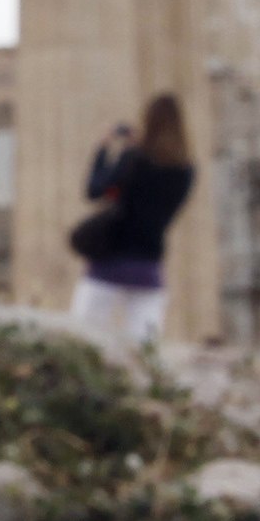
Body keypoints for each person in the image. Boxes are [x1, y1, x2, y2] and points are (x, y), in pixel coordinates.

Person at [71, 92, 195, 345]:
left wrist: (104, 150)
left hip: (111, 259)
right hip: (149, 264)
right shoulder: (186, 170)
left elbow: (95, 190)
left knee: (82, 339)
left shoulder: (135, 160)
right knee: (145, 349)